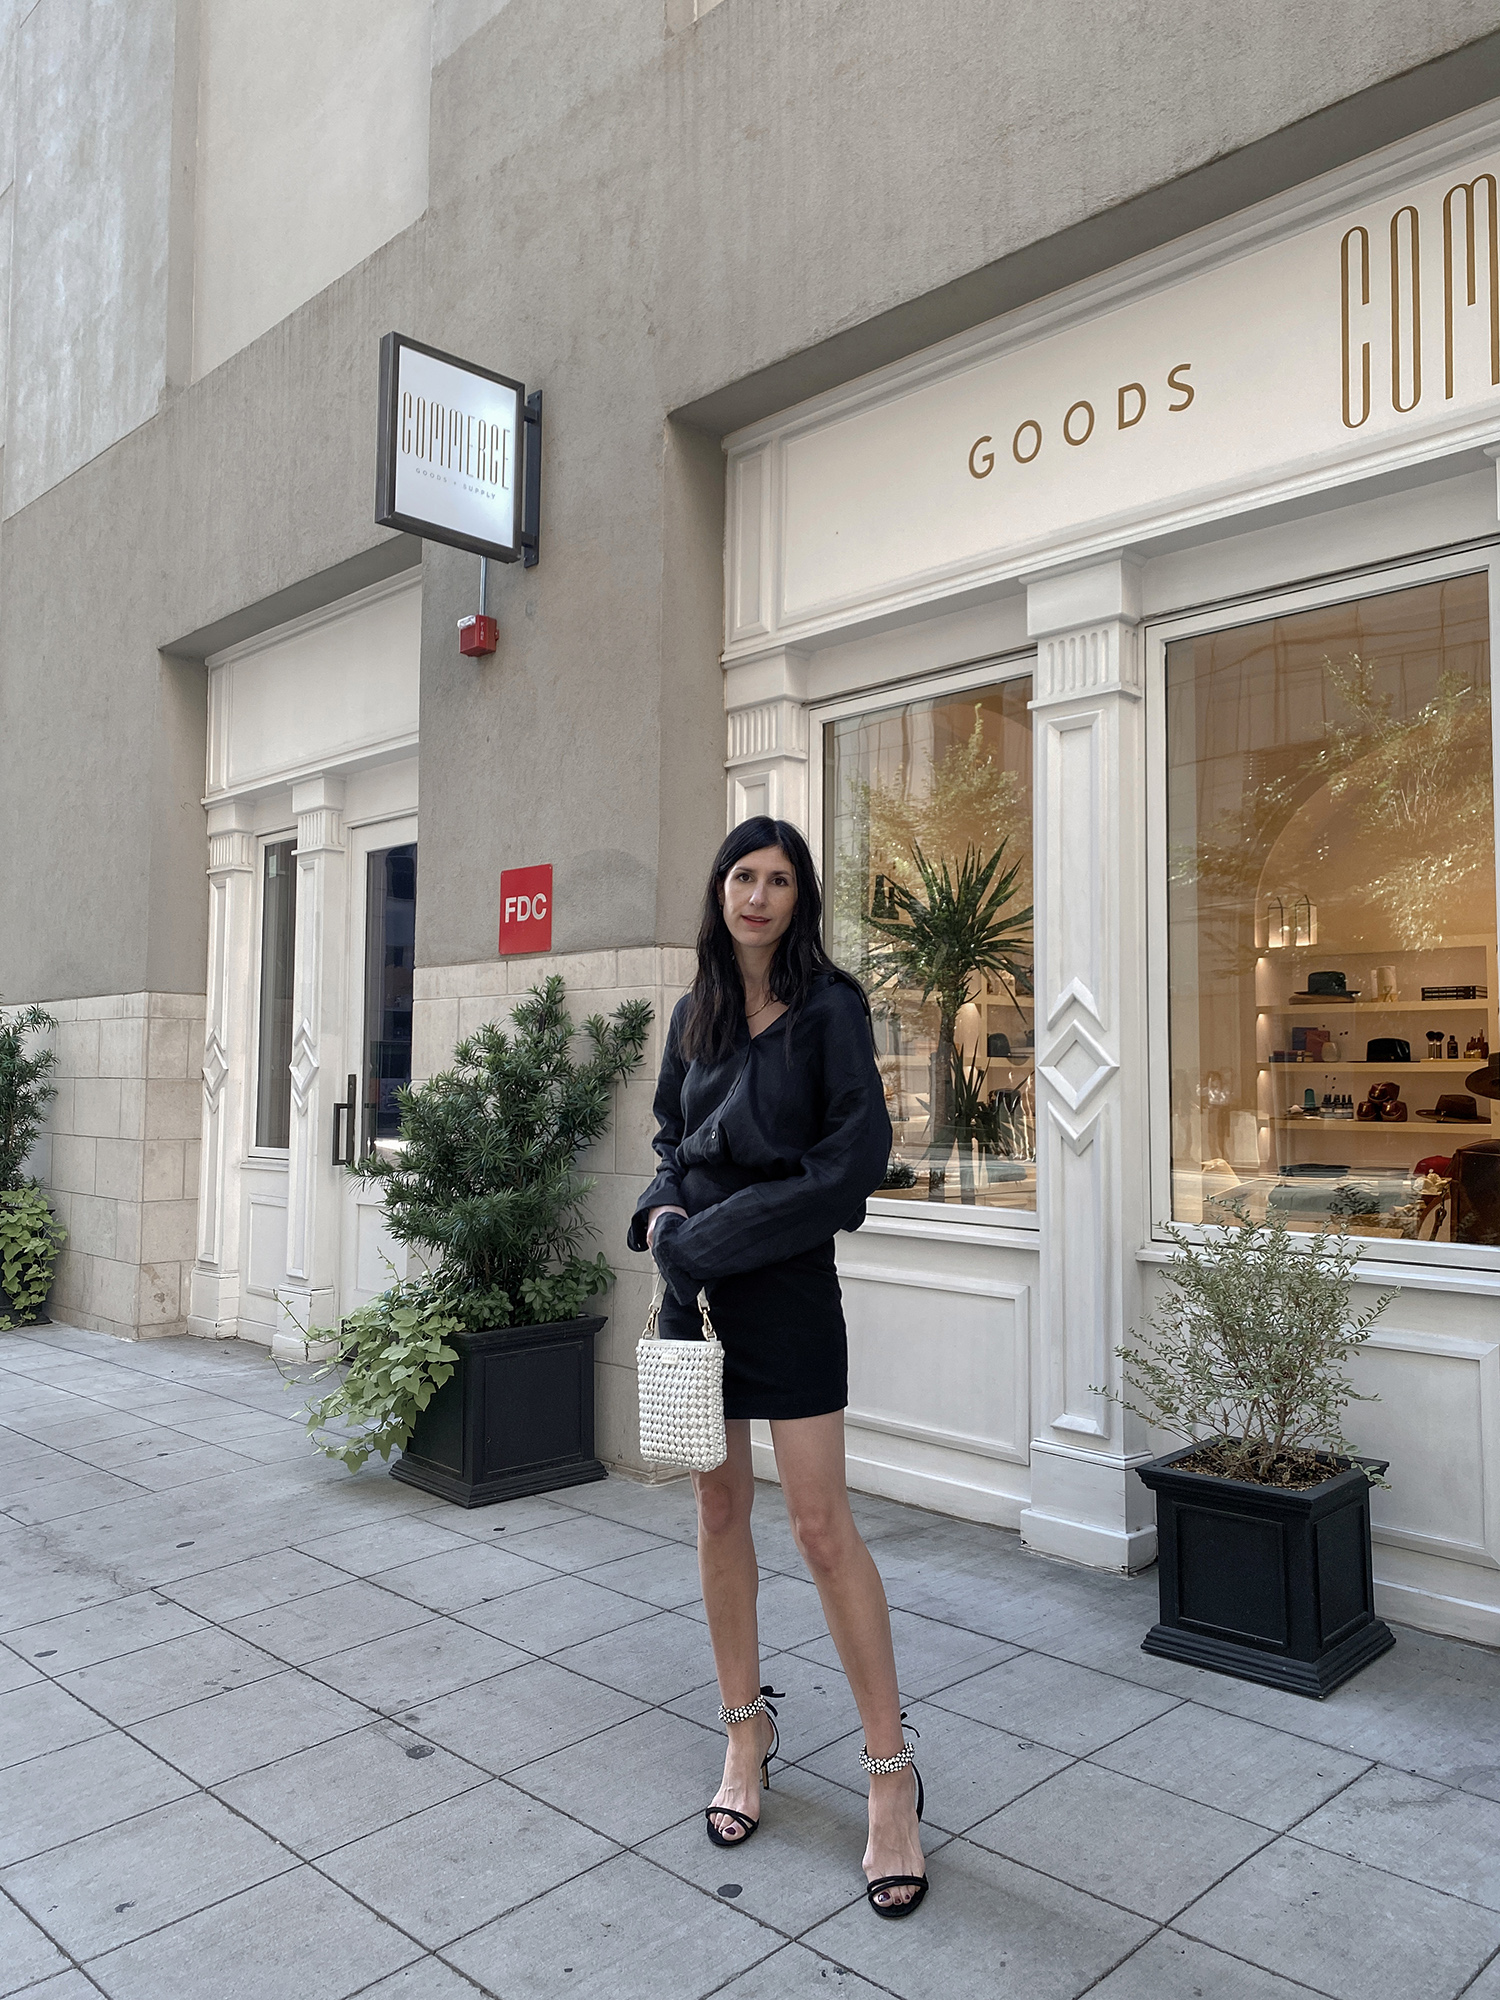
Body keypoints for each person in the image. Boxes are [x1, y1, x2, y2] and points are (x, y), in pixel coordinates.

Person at [627, 815, 928, 1919]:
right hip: (690, 1286)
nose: (757, 894)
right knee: (716, 1508)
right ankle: (744, 1733)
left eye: (778, 879)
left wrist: (711, 1233)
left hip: (787, 1287)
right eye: (741, 876)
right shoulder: (693, 1012)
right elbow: (671, 1136)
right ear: (719, 891)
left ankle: (890, 1779)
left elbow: (847, 1166)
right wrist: (664, 1210)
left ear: (800, 898)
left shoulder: (831, 1010)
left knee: (818, 1525)